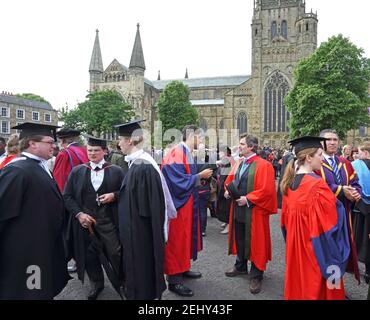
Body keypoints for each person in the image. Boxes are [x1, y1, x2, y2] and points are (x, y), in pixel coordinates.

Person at [0, 122, 70, 299]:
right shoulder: (17, 171)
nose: (54, 146)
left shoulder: (39, 166)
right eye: (49, 142)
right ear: (32, 143)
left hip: (41, 247)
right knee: (31, 292)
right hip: (26, 254)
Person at [280, 136, 351, 300]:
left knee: (300, 285)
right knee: (319, 288)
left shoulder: (288, 183)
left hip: (295, 248)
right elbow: (331, 225)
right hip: (316, 251)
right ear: (309, 157)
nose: (322, 159)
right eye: (320, 154)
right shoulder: (317, 185)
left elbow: (284, 225)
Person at [116, 119, 176, 300]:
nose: (118, 143)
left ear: (129, 141)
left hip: (141, 236)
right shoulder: (137, 164)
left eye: (120, 139)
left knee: (142, 273)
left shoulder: (143, 167)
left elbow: (151, 209)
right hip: (137, 232)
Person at [63, 134, 124, 300]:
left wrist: (114, 195)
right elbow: (67, 196)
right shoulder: (77, 171)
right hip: (85, 223)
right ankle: (96, 284)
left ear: (104, 151)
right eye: (89, 150)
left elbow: (126, 193)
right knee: (89, 256)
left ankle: (122, 282)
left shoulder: (116, 171)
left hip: (108, 221)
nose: (92, 153)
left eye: (96, 150)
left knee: (115, 252)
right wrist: (79, 214)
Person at [162, 125, 213, 297]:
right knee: (177, 241)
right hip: (179, 206)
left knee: (184, 240)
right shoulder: (176, 152)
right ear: (192, 136)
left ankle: (182, 269)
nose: (202, 141)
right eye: (200, 137)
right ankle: (174, 280)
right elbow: (175, 180)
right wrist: (199, 177)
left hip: (187, 204)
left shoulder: (185, 152)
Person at [224, 134, 277, 295]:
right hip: (239, 209)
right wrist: (227, 191)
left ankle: (256, 274)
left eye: (241, 144)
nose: (238, 146)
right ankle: (240, 266)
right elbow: (232, 180)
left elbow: (267, 190)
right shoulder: (240, 163)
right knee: (240, 237)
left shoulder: (264, 165)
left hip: (255, 211)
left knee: (256, 242)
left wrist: (247, 199)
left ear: (251, 147)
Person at [317, 129, 361, 282]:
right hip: (323, 217)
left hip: (343, 216)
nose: (332, 142)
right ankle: (328, 289)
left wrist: (356, 193)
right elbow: (315, 187)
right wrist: (341, 190)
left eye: (335, 139)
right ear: (321, 142)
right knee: (326, 252)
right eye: (328, 139)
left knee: (341, 250)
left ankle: (336, 287)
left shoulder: (344, 163)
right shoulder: (315, 163)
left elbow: (355, 182)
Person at [351, 142, 370, 284]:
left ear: (365, 152)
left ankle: (366, 270)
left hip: (361, 208)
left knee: (362, 237)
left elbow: (353, 185)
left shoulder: (357, 164)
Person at [53, 128, 88, 193]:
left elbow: (60, 178)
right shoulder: (85, 151)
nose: (60, 144)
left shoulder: (64, 154)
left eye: (60, 141)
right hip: (85, 190)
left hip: (70, 193)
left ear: (63, 140)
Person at [216, 145, 235, 234]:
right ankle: (226, 221)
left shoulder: (228, 160)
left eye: (220, 152)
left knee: (227, 206)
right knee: (223, 206)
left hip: (227, 186)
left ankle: (229, 225)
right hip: (222, 185)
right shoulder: (227, 159)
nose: (218, 153)